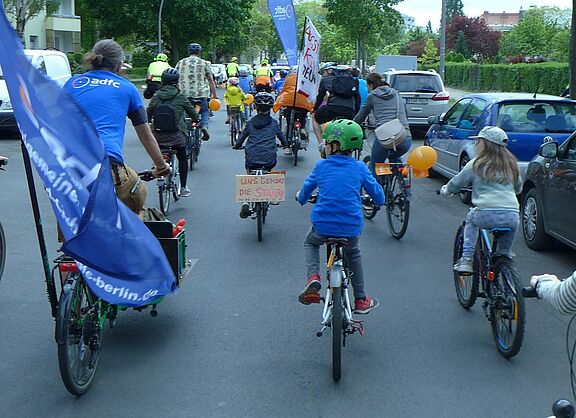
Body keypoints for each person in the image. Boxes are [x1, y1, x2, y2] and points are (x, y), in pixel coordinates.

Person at [64, 39, 170, 215]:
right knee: (137, 198)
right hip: (107, 163)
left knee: (74, 222)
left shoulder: (72, 83)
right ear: (119, 65)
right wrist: (161, 166)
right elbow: (146, 136)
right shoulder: (127, 88)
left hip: (70, 165)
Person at [296, 119, 384, 314]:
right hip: (350, 228)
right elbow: (379, 196)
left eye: (326, 143)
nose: (325, 147)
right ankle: (361, 299)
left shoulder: (321, 167)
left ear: (335, 145)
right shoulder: (360, 168)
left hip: (322, 227)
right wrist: (377, 200)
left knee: (310, 243)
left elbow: (304, 192)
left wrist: (300, 198)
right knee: (353, 253)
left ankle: (313, 278)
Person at [439, 126, 522, 274]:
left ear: (485, 143)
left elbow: (456, 183)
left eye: (478, 141)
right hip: (512, 215)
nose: (476, 144)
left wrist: (446, 190)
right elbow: (518, 188)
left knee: (471, 219)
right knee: (503, 253)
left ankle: (466, 259)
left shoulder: (476, 164)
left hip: (485, 213)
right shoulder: (512, 165)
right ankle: (506, 273)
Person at [233, 92, 289, 218]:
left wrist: (237, 146)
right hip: (269, 158)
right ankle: (272, 194)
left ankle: (246, 201)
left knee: (249, 173)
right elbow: (282, 137)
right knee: (270, 169)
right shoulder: (274, 123)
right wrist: (286, 145)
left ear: (255, 107)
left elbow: (242, 137)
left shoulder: (251, 122)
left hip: (252, 157)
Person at [147, 68, 199, 197]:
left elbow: (149, 112)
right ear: (177, 82)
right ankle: (184, 186)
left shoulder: (156, 96)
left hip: (158, 135)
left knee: (158, 149)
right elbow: (193, 113)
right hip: (176, 135)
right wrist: (195, 119)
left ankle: (157, 165)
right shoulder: (180, 96)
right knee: (182, 157)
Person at [353, 72, 412, 173]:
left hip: (385, 139)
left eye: (367, 86)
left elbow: (361, 115)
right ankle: (402, 178)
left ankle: (377, 187)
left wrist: (354, 124)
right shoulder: (396, 94)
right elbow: (405, 113)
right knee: (395, 156)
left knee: (375, 165)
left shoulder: (372, 96)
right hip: (404, 137)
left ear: (371, 85)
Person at [311, 64, 360, 155]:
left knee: (315, 118)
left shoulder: (325, 80)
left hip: (333, 109)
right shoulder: (353, 81)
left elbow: (320, 97)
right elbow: (357, 99)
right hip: (349, 110)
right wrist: (355, 113)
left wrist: (315, 109)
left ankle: (321, 144)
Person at [174, 42, 218, 135]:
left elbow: (175, 78)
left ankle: (185, 130)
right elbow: (211, 80)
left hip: (185, 94)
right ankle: (204, 126)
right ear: (199, 52)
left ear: (188, 51)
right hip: (201, 94)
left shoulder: (180, 62)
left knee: (185, 112)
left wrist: (178, 91)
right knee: (205, 110)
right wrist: (214, 96)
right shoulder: (204, 63)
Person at [272, 70, 314, 154]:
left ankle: (288, 147)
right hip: (303, 102)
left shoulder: (289, 79)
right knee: (303, 116)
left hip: (290, 101)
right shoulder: (306, 80)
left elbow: (284, 91)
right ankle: (302, 129)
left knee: (289, 122)